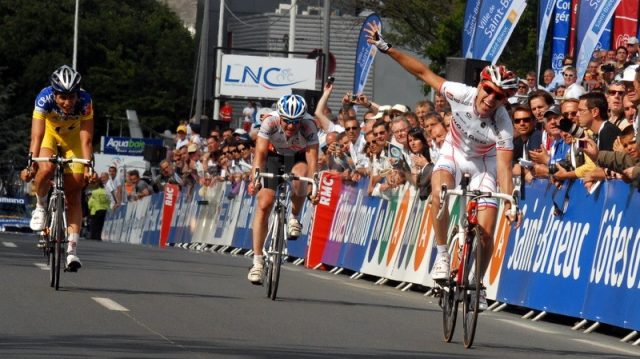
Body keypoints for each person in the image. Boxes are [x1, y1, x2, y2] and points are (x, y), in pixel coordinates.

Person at [366, 23, 518, 310]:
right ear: (481, 85)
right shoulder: (460, 92)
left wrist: (510, 203)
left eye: (499, 96)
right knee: (441, 193)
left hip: (483, 164)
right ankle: (443, 254)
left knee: (486, 232)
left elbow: (504, 168)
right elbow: (422, 72)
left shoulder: (503, 123)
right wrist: (387, 48)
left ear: (505, 100)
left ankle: (477, 285)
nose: (490, 99)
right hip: (454, 151)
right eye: (488, 90)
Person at [20, 65, 95, 271]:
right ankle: (41, 206)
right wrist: (31, 163)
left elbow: (87, 139)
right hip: (49, 138)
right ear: (54, 93)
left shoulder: (85, 101)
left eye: (71, 97)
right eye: (62, 97)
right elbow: (36, 135)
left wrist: (89, 166)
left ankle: (71, 251)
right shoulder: (43, 98)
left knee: (75, 193)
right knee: (45, 168)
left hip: (73, 143)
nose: (67, 102)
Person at [246, 94, 319, 284]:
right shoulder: (269, 122)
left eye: (296, 121)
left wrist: (313, 185)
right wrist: (255, 178)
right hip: (273, 157)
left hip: (297, 158)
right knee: (265, 203)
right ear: (280, 116)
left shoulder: (309, 125)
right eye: (287, 121)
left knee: (300, 174)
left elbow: (312, 159)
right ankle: (257, 262)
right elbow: (260, 153)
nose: (291, 126)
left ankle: (294, 217)